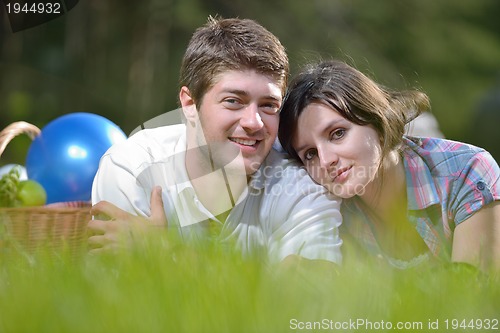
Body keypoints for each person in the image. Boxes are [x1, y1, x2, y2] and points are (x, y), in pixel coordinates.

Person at [88, 17, 342, 265]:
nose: (254, 122)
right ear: (189, 104)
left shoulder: (301, 187)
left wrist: (164, 252)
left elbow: (313, 296)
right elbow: (121, 300)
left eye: (268, 105)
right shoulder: (132, 167)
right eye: (233, 101)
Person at [278, 60, 500, 271]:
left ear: (378, 120)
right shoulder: (326, 207)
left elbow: (472, 298)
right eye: (310, 154)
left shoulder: (466, 172)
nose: (326, 160)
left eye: (337, 133)